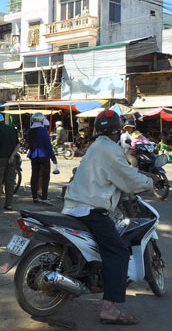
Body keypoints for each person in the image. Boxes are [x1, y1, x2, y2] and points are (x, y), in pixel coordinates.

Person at [62, 110, 157, 325]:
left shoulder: (95, 147)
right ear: (118, 130)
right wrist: (149, 181)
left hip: (73, 206)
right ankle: (109, 310)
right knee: (118, 253)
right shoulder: (111, 150)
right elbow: (128, 179)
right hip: (91, 210)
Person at [0, 113, 19, 211]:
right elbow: (17, 145)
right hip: (11, 160)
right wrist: (12, 156)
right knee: (9, 182)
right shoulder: (12, 129)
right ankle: (9, 205)